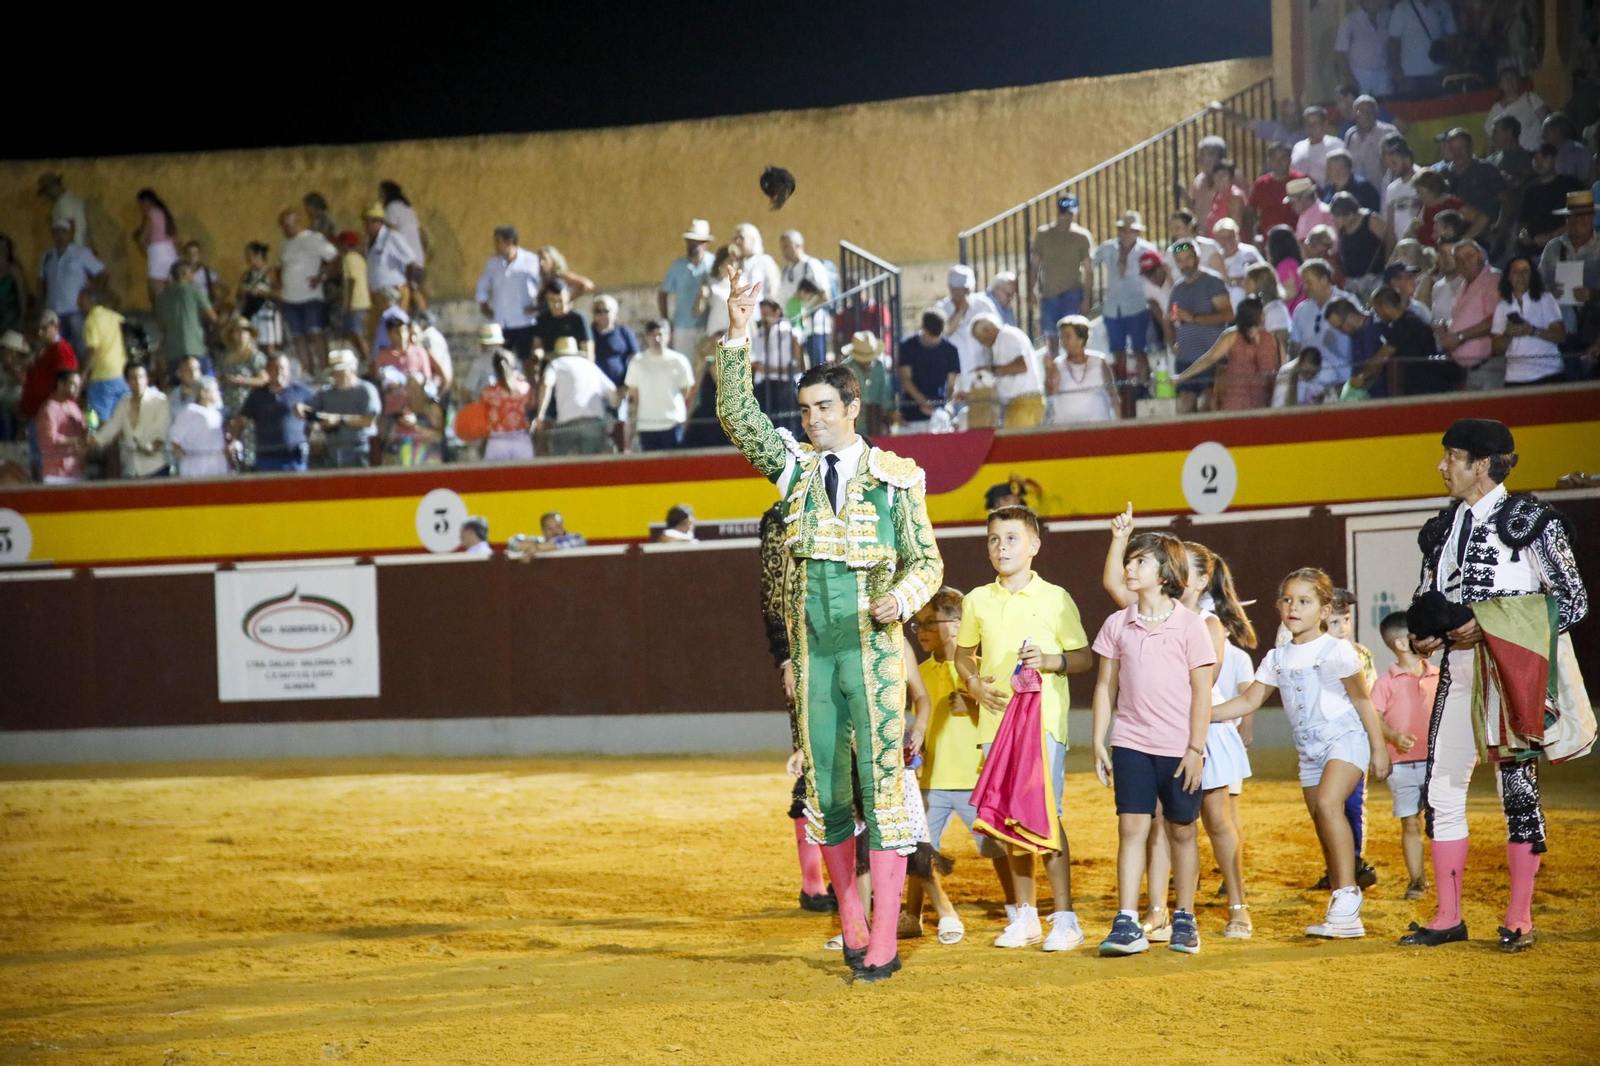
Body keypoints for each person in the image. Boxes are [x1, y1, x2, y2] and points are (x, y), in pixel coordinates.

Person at [715, 264, 945, 982]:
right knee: (829, 794)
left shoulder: (897, 477)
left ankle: (883, 939)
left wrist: (901, 602)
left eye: (822, 408)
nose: (810, 419)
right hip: (815, 659)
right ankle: (849, 918)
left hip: (873, 655)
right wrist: (737, 332)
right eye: (805, 409)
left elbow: (927, 561)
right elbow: (739, 418)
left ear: (852, 407)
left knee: (881, 791)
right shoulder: (793, 472)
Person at [1404, 418, 1588, 951]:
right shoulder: (1441, 528)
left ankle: (1519, 917)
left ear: (1480, 464)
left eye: (1450, 456)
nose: (1441, 466)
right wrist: (1426, 636)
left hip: (1512, 674)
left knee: (1519, 794)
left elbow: (1572, 601)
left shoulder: (1532, 522)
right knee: (1440, 790)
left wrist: (1487, 623)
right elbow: (1426, 595)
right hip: (1457, 672)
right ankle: (1446, 915)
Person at [1213, 568, 1391, 938]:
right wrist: (1200, 715)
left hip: (1345, 740)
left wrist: (1378, 749)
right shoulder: (1277, 657)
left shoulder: (1338, 650)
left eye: (1304, 601)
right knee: (1323, 821)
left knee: (1328, 805)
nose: (1293, 607)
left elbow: (1362, 701)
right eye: (1287, 600)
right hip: (1309, 752)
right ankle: (1346, 915)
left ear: (1325, 611)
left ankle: (1346, 894)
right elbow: (1248, 700)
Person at [955, 506, 1093, 951]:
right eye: (994, 539)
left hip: (1042, 724)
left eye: (1012, 539)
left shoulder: (1056, 598)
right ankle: (1027, 915)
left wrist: (1052, 662)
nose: (1001, 547)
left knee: (1045, 815)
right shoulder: (976, 599)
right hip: (994, 725)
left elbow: (1084, 658)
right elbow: (963, 655)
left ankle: (1066, 919)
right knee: (1007, 819)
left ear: (1034, 546)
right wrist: (973, 684)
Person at [1090, 531, 1213, 956]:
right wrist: (1100, 741)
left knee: (1181, 830)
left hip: (1180, 748)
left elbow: (1202, 693)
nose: (1129, 569)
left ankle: (1184, 917)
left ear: (1164, 572)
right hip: (1131, 742)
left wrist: (1196, 749)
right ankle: (1125, 921)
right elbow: (1106, 685)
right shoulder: (1116, 624)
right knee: (1131, 826)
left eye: (1139, 561)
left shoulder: (1190, 625)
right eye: (1130, 561)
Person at [758, 501, 837, 914]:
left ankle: (857, 876)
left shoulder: (859, 499)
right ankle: (814, 884)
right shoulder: (781, 516)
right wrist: (787, 658)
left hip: (857, 650)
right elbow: (775, 595)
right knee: (814, 762)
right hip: (808, 657)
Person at [1370, 611, 1438, 901]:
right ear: (1402, 643)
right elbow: (1373, 719)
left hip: (1438, 762)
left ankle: (1445, 875)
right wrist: (1394, 738)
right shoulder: (1385, 683)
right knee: (1411, 822)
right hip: (1403, 764)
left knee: (1440, 822)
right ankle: (1417, 880)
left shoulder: (1440, 674)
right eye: (1418, 634)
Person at [1173, 296, 1280, 410]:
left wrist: (1182, 377)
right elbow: (1276, 367)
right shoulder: (1267, 337)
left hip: (1250, 397)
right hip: (1250, 397)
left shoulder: (1235, 336)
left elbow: (1209, 359)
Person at [1092, 212, 1159, 392]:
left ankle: (1144, 389)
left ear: (1137, 232)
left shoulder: (1146, 250)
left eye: (1130, 230)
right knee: (1117, 352)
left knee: (1140, 351)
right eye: (1122, 229)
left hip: (1137, 307)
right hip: (1114, 308)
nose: (1125, 233)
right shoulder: (1108, 248)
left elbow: (1157, 274)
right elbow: (1089, 262)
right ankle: (1121, 389)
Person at [1167, 240, 1233, 414]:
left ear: (1197, 258)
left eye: (1188, 258)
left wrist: (1194, 317)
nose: (1185, 264)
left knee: (1209, 405)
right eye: (1180, 260)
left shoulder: (1213, 283)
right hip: (1186, 359)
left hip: (1212, 358)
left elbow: (1228, 315)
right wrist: (1172, 342)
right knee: (1184, 407)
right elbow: (1170, 319)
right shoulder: (1177, 289)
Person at [936, 265, 1001, 426]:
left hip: (980, 376)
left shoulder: (983, 304)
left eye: (964, 290)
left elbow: (997, 334)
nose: (960, 294)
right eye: (956, 290)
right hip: (955, 379)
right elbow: (942, 334)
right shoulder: (942, 308)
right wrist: (960, 312)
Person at [275, 209, 338, 376]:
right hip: (289, 297)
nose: (285, 228)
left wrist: (321, 277)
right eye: (283, 225)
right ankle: (307, 372)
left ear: (297, 221)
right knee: (298, 337)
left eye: (288, 224)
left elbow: (333, 258)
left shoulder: (313, 239)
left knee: (316, 333)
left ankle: (325, 370)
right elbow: (280, 267)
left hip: (311, 296)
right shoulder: (285, 244)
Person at [1538, 190, 1599, 359]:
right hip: (1560, 327)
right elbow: (1538, 284)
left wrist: (1593, 294)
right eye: (1574, 216)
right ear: (1567, 219)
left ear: (1593, 216)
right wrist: (1548, 290)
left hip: (1595, 326)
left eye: (1584, 215)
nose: (1579, 220)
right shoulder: (1552, 248)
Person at [1031, 193, 1094, 355]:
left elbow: (1088, 269)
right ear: (1058, 213)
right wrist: (1032, 290)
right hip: (1049, 295)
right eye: (1064, 214)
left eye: (1071, 214)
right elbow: (1035, 265)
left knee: (1073, 338)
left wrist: (1086, 298)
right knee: (1051, 341)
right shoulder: (1043, 235)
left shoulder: (1082, 237)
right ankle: (1054, 375)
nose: (1067, 218)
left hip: (1072, 295)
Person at [1491, 255, 1566, 386]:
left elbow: (1560, 336)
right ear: (1508, 277)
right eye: (1515, 271)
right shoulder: (1502, 307)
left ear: (1532, 276)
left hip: (1548, 372)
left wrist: (1532, 331)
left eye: (1525, 271)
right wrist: (1508, 335)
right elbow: (1496, 349)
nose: (1520, 275)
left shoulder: (1545, 299)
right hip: (1515, 377)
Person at [232, 353, 312, 472]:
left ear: (289, 370)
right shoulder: (257, 395)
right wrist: (233, 440)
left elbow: (318, 416)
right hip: (267, 456)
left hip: (295, 456)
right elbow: (241, 421)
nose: (279, 372)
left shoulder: (302, 393)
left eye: (282, 368)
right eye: (275, 368)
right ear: (267, 371)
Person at [537, 336, 617, 456]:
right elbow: (612, 392)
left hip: (567, 421)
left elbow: (546, 383)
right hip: (593, 422)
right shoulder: (590, 366)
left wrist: (540, 415)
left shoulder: (555, 364)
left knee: (558, 464)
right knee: (590, 466)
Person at [1442, 240, 1504, 390]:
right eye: (1458, 259)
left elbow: (1497, 320)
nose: (1464, 262)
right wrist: (1448, 329)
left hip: (1489, 367)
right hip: (1469, 371)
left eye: (1469, 256)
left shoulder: (1492, 279)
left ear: (1480, 255)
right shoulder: (1465, 284)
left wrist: (1460, 337)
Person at [624, 321, 695, 451]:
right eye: (651, 335)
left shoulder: (679, 361)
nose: (656, 339)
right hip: (647, 426)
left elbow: (687, 393)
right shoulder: (637, 362)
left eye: (660, 334)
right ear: (646, 337)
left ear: (668, 336)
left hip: (673, 423)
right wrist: (632, 424)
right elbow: (634, 395)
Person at [475, 226, 542, 364]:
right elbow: (482, 285)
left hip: (525, 322)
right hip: (502, 322)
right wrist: (484, 305)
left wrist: (539, 307)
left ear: (509, 241)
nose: (496, 246)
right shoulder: (492, 264)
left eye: (498, 241)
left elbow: (543, 285)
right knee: (503, 361)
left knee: (527, 362)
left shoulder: (531, 261)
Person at [38, 219, 105, 353]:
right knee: (56, 350)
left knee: (80, 349)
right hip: (54, 313)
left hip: (76, 310)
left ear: (70, 234)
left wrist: (92, 293)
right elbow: (41, 281)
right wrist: (40, 305)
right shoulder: (47, 255)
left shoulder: (81, 253)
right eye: (57, 232)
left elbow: (102, 273)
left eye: (64, 231)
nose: (60, 235)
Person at [94, 362, 170, 478]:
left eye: (141, 377)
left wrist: (153, 445)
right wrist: (94, 440)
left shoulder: (159, 400)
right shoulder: (123, 402)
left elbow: (161, 429)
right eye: (133, 378)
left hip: (156, 468)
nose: (138, 381)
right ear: (127, 381)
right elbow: (112, 427)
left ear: (147, 378)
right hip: (130, 468)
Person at [968, 313, 1045, 428]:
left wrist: (991, 369)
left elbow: (1021, 366)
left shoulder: (1008, 336)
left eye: (980, 338)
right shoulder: (1000, 341)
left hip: (1025, 401)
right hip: (1015, 402)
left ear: (988, 330)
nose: (980, 343)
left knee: (1018, 442)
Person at [1290, 259, 1355, 390]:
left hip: (1343, 380)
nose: (1305, 287)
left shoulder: (1348, 302)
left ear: (1324, 280)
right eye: (1303, 283)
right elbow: (1294, 346)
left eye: (1309, 282)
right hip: (1309, 383)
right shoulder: (1301, 310)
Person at [310, 349, 380, 468]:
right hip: (331, 451)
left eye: (341, 371)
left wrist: (339, 420)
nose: (336, 375)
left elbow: (369, 420)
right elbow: (311, 413)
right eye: (334, 372)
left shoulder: (366, 390)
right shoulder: (325, 393)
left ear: (353, 369)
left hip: (360, 449)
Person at [660, 220, 716, 360]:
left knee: (705, 369)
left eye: (697, 241)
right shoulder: (677, 266)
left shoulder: (714, 264)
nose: (692, 245)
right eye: (690, 241)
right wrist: (666, 322)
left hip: (707, 325)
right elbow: (663, 294)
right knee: (683, 365)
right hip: (682, 326)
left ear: (705, 243)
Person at [1046, 315, 1117, 424]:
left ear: (1081, 338)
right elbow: (1051, 394)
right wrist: (1048, 370)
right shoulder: (1058, 365)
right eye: (1062, 337)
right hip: (1068, 427)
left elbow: (1113, 394)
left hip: (1099, 424)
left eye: (1068, 336)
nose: (1064, 341)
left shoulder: (1099, 361)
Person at [1520, 149, 1588, 260]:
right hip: (1534, 254)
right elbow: (1523, 221)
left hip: (1567, 253)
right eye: (1535, 158)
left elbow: (1582, 219)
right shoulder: (1529, 190)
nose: (1539, 162)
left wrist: (1552, 236)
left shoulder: (1572, 184)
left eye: (1544, 157)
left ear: (1554, 159)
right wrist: (1524, 235)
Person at [362, 203, 421, 327]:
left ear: (379, 222)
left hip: (392, 290)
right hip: (378, 293)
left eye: (369, 222)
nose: (366, 226)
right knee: (379, 329)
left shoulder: (391, 237)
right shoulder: (371, 242)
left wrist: (409, 283)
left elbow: (410, 261)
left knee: (394, 328)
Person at [75, 288, 127, 425]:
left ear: (90, 301)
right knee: (120, 418)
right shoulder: (116, 316)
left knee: (96, 418)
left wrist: (82, 375)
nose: (78, 304)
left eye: (80, 300)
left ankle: (97, 444)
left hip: (101, 376)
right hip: (122, 375)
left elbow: (92, 349)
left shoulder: (91, 320)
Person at [155, 262, 216, 379]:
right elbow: (212, 317)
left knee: (178, 387)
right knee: (205, 383)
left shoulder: (162, 296)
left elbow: (161, 325)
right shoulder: (195, 291)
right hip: (195, 348)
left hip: (173, 350)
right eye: (191, 273)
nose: (193, 276)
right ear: (184, 274)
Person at [1387, 0, 1455, 97]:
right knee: (1409, 109)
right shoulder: (1401, 8)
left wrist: (1449, 65)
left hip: (1438, 72)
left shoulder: (1444, 5)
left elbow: (1452, 37)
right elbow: (1393, 41)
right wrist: (1396, 68)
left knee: (1437, 109)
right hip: (1408, 74)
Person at [750, 299, 800, 430]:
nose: (764, 317)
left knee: (783, 422)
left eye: (767, 313)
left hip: (782, 382)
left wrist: (771, 370)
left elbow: (798, 363)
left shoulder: (787, 332)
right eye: (762, 314)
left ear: (777, 312)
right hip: (764, 382)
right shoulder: (761, 334)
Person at [478, 350, 536, 461]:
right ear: (514, 366)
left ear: (494, 368)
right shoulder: (525, 388)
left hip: (496, 442)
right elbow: (532, 406)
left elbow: (483, 415)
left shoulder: (488, 392)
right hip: (521, 441)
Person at [168, 376, 231, 478]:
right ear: (203, 393)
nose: (219, 393)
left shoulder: (218, 414)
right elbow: (174, 437)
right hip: (196, 466)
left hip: (218, 464)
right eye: (215, 390)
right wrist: (181, 455)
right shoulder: (190, 411)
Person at [1330, 192, 1390, 297]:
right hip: (1352, 281)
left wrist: (1388, 262)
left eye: (1342, 216)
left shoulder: (1371, 220)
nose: (1339, 220)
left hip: (1375, 277)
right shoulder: (1342, 228)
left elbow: (1390, 239)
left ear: (1351, 213)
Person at [1247, 143, 1307, 243]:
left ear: (1290, 159)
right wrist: (1253, 236)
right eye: (1274, 158)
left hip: (1296, 241)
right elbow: (1250, 212)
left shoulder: (1300, 180)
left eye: (1283, 158)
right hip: (1268, 242)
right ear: (1268, 161)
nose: (1278, 162)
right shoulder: (1261, 184)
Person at [378, 181, 427, 304]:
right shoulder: (409, 209)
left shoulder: (392, 207)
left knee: (402, 292)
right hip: (418, 257)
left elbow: (390, 233)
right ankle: (426, 318)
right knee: (415, 290)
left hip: (404, 259)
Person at [35, 368, 87, 483]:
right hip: (56, 474)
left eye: (79, 385)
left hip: (77, 470)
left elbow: (83, 433)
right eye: (73, 385)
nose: (78, 389)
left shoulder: (74, 407)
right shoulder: (49, 409)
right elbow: (49, 439)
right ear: (61, 384)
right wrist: (77, 440)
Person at [838, 332, 894, 437]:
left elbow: (884, 396)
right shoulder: (844, 370)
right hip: (852, 425)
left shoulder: (879, 367)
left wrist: (886, 418)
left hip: (875, 424)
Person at [1336, 0, 1393, 97]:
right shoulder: (1350, 20)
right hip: (1359, 74)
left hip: (1383, 73)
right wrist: (1349, 77)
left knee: (1386, 105)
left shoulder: (1388, 16)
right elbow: (1341, 52)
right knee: (1361, 106)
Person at [1487, 67, 1549, 153]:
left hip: (1534, 154)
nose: (1510, 82)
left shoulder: (1531, 98)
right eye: (1506, 80)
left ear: (1518, 81)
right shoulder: (1496, 108)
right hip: (1508, 158)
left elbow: (1547, 125)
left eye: (1513, 78)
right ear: (1500, 84)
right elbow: (1491, 139)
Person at [385, 374, 444, 466]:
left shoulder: (432, 409)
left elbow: (439, 436)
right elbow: (391, 440)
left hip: (428, 465)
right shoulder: (403, 410)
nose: (414, 391)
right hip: (405, 466)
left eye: (417, 387)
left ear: (423, 387)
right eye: (410, 387)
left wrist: (415, 426)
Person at [1343, 96, 1401, 187]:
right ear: (1355, 114)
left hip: (1383, 190)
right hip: (1359, 191)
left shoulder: (1388, 132)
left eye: (1369, 111)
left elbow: (1399, 162)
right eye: (1361, 111)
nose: (1365, 114)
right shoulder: (1350, 134)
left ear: (1376, 113)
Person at [530, 280, 591, 366]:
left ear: (567, 298)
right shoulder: (542, 319)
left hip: (575, 366)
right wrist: (537, 354)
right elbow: (537, 345)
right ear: (547, 299)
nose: (556, 305)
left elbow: (588, 351)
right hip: (550, 366)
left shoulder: (578, 319)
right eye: (552, 300)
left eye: (560, 301)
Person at [134, 189, 178, 306]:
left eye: (141, 204)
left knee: (157, 293)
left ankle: (161, 320)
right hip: (171, 252)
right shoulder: (165, 213)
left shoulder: (151, 214)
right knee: (172, 290)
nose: (141, 208)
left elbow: (142, 239)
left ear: (146, 201)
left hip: (157, 252)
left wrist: (146, 250)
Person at [1212, 218, 1265, 308]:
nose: (1227, 241)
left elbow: (1262, 276)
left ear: (1237, 235)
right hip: (1226, 307)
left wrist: (1238, 281)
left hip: (1250, 304)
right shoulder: (1216, 258)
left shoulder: (1249, 252)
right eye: (1223, 238)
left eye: (1231, 236)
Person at [591, 295, 638, 393]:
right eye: (598, 311)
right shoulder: (588, 334)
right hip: (595, 389)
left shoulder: (624, 332)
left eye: (606, 311)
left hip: (621, 389)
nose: (601, 314)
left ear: (615, 313)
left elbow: (635, 359)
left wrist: (628, 386)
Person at [1384, 137, 1426, 243]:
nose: (1391, 168)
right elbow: (1390, 227)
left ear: (1407, 159)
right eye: (1388, 164)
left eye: (1394, 163)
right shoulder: (1391, 189)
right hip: (1402, 248)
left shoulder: (1425, 180)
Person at [1291, 107, 1346, 186]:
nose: (1311, 127)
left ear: (1325, 124)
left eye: (1315, 123)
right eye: (1308, 124)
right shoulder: (1298, 147)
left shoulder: (1337, 145)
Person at [335, 232, 369, 356]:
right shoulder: (360, 258)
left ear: (345, 244)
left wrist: (347, 303)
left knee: (357, 333)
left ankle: (366, 359)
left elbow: (351, 280)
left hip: (355, 302)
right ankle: (364, 357)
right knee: (357, 333)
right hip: (364, 301)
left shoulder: (348, 258)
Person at [731, 224, 780, 304]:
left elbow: (773, 287)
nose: (737, 242)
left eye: (741, 238)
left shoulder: (765, 260)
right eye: (736, 239)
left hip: (759, 311)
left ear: (753, 239)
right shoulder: (735, 263)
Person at [36, 174, 88, 248]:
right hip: (80, 249)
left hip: (72, 249)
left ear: (50, 188)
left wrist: (68, 251)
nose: (46, 196)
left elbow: (70, 225)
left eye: (46, 192)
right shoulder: (73, 199)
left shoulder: (63, 202)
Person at [1323, 150, 1382, 214]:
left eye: (1329, 168)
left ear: (1343, 169)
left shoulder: (1363, 188)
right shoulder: (1328, 188)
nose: (1326, 171)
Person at [1543, 113, 1594, 183]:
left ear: (1558, 131)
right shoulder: (1547, 155)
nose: (1543, 135)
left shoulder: (1578, 151)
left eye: (1546, 131)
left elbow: (1586, 179)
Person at [1266, 224, 1306, 310]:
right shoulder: (1293, 263)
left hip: (1292, 313)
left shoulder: (1285, 265)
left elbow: (1291, 292)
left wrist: (1269, 298)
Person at [1286, 178, 1335, 245]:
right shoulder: (1303, 215)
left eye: (1293, 202)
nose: (1292, 206)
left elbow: (1334, 245)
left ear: (1306, 199)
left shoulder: (1324, 213)